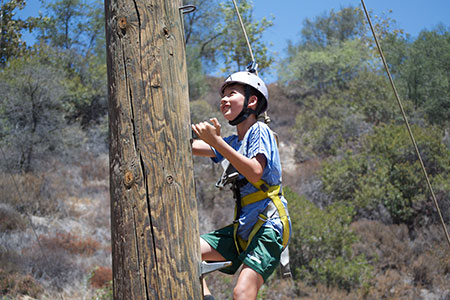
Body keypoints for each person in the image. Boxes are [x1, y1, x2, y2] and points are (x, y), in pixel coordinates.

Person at [191, 71, 291, 300]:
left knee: (243, 292)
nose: (224, 99)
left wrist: (215, 141)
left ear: (252, 101)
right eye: (223, 95)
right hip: (244, 228)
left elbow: (255, 172)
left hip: (268, 225)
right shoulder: (234, 142)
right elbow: (195, 147)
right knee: (186, 250)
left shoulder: (260, 130)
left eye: (231, 94)